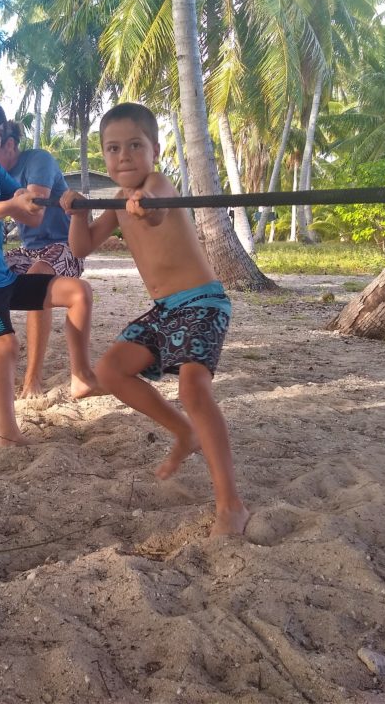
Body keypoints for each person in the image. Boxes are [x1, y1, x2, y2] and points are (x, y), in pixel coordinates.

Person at [61, 102, 249, 537]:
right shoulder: (114, 201)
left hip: (202, 302)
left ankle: (230, 505)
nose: (123, 156)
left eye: (134, 145)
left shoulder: (157, 184)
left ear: (155, 149)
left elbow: (158, 209)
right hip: (166, 310)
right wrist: (77, 214)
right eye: (112, 148)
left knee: (194, 388)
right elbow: (82, 248)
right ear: (103, 156)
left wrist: (145, 207)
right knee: (109, 370)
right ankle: (185, 433)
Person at [0, 96, 100, 447]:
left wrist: (57, 200)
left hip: (4, 279)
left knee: (78, 292)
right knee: (6, 346)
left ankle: (82, 375)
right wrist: (13, 203)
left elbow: (32, 214)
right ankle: (6, 435)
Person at [0, 120, 84, 398]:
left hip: (66, 246)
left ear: (10, 145)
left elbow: (35, 206)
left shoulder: (38, 159)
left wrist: (12, 200)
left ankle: (33, 378)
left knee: (37, 275)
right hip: (29, 249)